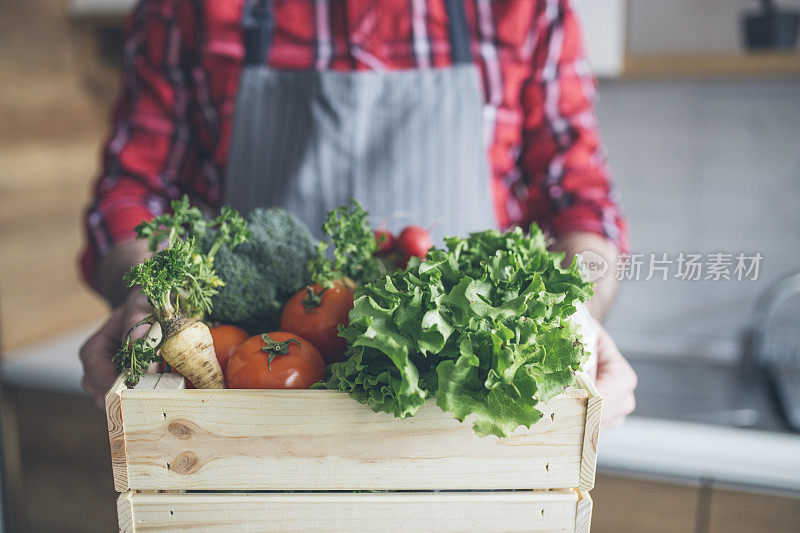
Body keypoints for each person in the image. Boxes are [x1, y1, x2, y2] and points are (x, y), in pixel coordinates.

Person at [79, 0, 636, 430]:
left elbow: (583, 207)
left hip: (464, 442)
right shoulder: (191, 9)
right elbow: (132, 193)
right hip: (252, 422)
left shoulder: (525, 9)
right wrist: (145, 294)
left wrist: (572, 313)